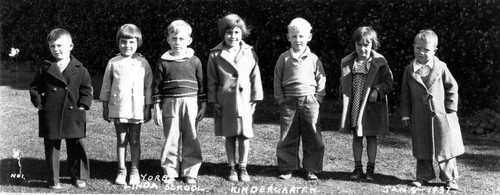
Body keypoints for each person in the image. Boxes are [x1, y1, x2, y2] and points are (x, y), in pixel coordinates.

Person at [29, 28, 93, 189]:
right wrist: (40, 103)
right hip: (51, 113)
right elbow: (35, 87)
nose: (56, 49)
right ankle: (53, 179)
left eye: (60, 45)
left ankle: (78, 177)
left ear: (70, 46)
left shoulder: (80, 69)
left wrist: (82, 106)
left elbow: (87, 90)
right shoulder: (45, 68)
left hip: (73, 113)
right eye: (52, 46)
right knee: (52, 147)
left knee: (76, 146)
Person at [400, 29, 464, 191]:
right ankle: (423, 176)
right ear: (413, 47)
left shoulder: (441, 67)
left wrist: (451, 107)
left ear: (434, 51)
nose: (421, 53)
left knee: (445, 148)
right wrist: (406, 115)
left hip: (441, 116)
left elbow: (452, 87)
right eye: (418, 48)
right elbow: (405, 94)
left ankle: (450, 178)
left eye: (426, 50)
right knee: (422, 147)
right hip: (420, 117)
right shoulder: (410, 70)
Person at [207, 13, 263, 182]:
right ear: (223, 34)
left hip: (245, 101)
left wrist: (255, 98)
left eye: (237, 33)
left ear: (242, 33)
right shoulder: (215, 55)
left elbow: (255, 76)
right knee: (229, 135)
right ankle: (231, 167)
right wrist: (214, 100)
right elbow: (211, 80)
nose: (233, 36)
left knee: (245, 135)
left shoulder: (249, 52)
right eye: (229, 33)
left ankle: (243, 166)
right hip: (226, 102)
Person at [152, 20, 206, 185]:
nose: (177, 42)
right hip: (170, 104)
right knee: (171, 137)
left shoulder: (195, 60)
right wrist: (156, 107)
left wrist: (203, 104)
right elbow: (156, 87)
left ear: (189, 40)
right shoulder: (163, 62)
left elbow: (201, 84)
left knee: (191, 136)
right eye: (174, 38)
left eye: (182, 39)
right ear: (168, 39)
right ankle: (170, 170)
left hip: (190, 103)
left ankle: (191, 170)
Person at [99, 24, 152, 186]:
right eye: (123, 42)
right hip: (118, 107)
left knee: (134, 140)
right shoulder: (113, 62)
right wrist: (105, 106)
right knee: (121, 139)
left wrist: (148, 107)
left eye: (131, 42)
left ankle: (135, 170)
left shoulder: (143, 63)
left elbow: (149, 86)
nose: (127, 46)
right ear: (118, 42)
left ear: (138, 43)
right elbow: (106, 86)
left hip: (136, 108)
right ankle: (121, 170)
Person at [273, 18, 326, 180]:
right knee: (287, 135)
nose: (298, 40)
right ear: (288, 37)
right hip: (289, 102)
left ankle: (312, 168)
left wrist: (318, 98)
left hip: (310, 101)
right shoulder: (284, 58)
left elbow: (321, 79)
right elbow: (277, 79)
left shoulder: (314, 59)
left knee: (313, 134)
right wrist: (281, 99)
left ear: (308, 37)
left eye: (301, 36)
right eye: (294, 36)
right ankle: (288, 167)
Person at [339, 26, 394, 181]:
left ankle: (370, 169)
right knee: (357, 137)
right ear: (355, 45)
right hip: (355, 106)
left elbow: (389, 82)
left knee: (371, 136)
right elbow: (343, 83)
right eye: (359, 45)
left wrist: (377, 90)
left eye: (366, 45)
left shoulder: (379, 62)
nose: (363, 49)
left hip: (371, 108)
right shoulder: (348, 62)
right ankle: (357, 168)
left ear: (373, 45)